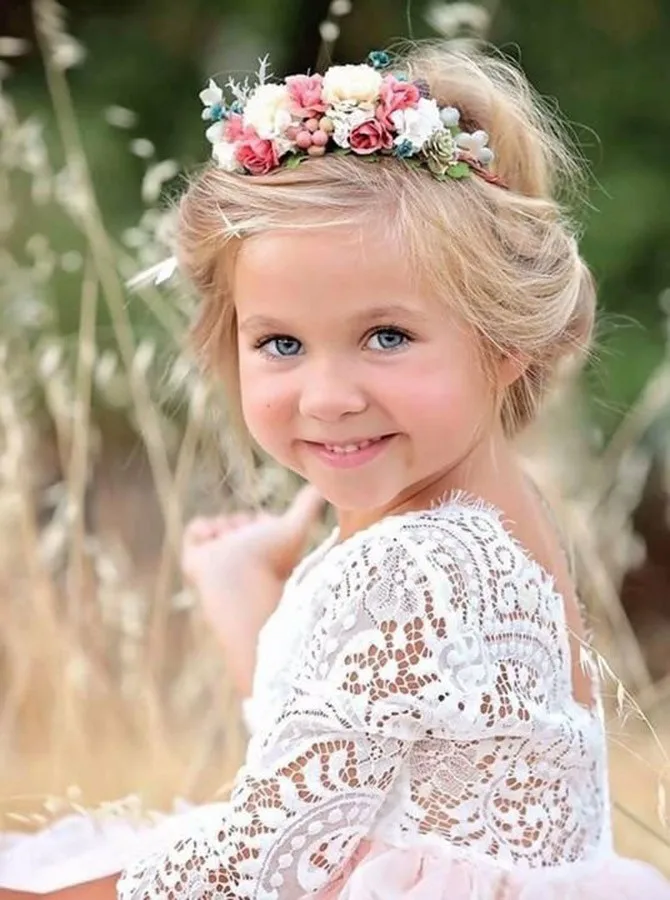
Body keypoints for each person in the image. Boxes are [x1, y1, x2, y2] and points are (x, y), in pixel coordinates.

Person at [2, 43, 670, 900]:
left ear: (505, 346)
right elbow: (363, 780)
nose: (326, 397)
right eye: (281, 344)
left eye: (386, 337)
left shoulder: (413, 563)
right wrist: (250, 599)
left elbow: (263, 870)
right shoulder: (482, 514)